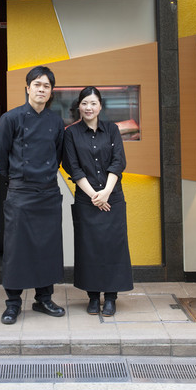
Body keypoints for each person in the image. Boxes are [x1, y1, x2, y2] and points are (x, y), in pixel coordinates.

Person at [0, 65, 66, 325]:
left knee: (47, 247)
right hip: (21, 192)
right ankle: (13, 303)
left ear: (51, 91)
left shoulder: (56, 121)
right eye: (37, 85)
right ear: (27, 88)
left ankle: (44, 298)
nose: (41, 90)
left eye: (46, 86)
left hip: (48, 192)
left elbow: (58, 154)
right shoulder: (11, 118)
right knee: (16, 248)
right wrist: (15, 176)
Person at [62, 86, 133, 316]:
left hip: (113, 198)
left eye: (93, 103)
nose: (88, 108)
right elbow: (73, 167)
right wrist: (95, 195)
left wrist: (106, 193)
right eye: (84, 103)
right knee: (89, 248)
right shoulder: (71, 133)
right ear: (79, 106)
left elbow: (118, 162)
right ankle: (93, 296)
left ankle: (111, 297)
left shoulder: (112, 129)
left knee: (113, 247)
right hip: (86, 199)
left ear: (100, 106)